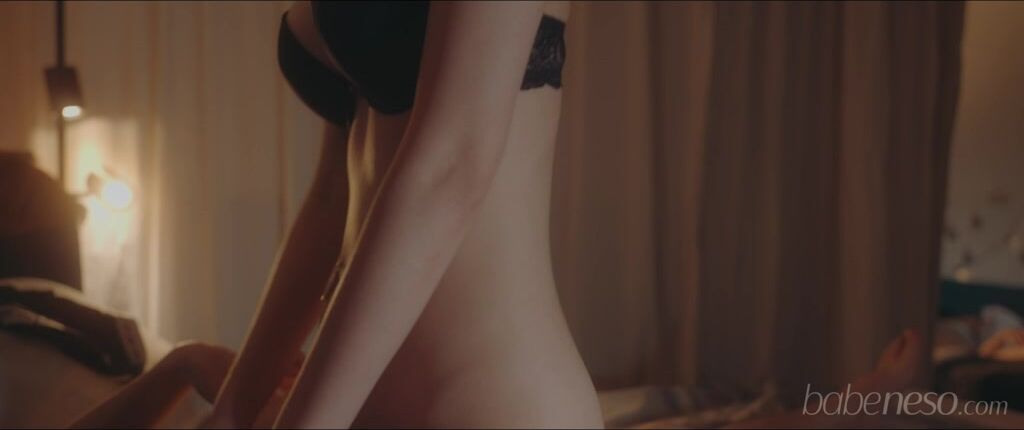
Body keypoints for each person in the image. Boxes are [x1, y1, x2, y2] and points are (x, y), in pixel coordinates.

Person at [208, 2, 604, 428]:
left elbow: (452, 169)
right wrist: (232, 410)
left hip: (489, 403)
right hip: (352, 409)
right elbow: (331, 201)